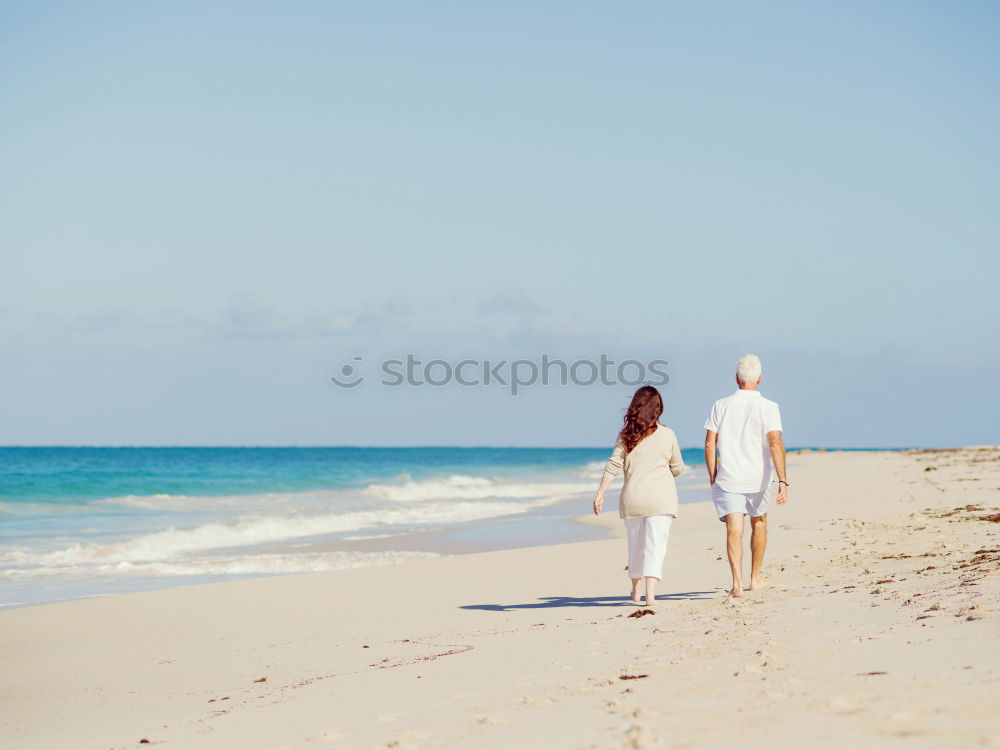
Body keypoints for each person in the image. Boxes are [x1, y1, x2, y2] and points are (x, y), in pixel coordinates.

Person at [703, 354, 788, 598]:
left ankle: (737, 585)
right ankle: (755, 578)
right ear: (760, 378)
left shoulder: (721, 405)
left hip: (729, 478)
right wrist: (783, 480)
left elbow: (710, 444)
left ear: (736, 378)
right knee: (759, 522)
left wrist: (712, 475)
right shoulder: (769, 407)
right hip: (758, 477)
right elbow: (775, 443)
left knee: (734, 529)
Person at [593, 385, 685, 608]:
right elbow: (678, 467)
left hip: (633, 499)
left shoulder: (626, 435)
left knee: (635, 546)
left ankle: (635, 590)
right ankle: (650, 594)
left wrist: (600, 493)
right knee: (655, 545)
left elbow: (614, 465)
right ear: (658, 409)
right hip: (661, 499)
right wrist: (664, 472)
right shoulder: (668, 434)